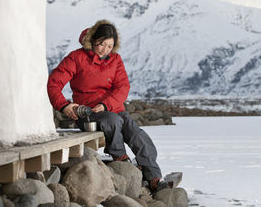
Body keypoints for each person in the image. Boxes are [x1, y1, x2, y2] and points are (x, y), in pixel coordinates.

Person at [47, 19, 169, 192]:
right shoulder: (76, 57)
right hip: (88, 114)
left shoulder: (116, 60)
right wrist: (64, 106)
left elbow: (123, 87)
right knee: (112, 120)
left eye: (110, 46)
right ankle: (121, 159)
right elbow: (53, 83)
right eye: (101, 44)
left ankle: (155, 178)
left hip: (113, 109)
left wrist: (106, 104)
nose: (105, 49)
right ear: (93, 40)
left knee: (139, 137)